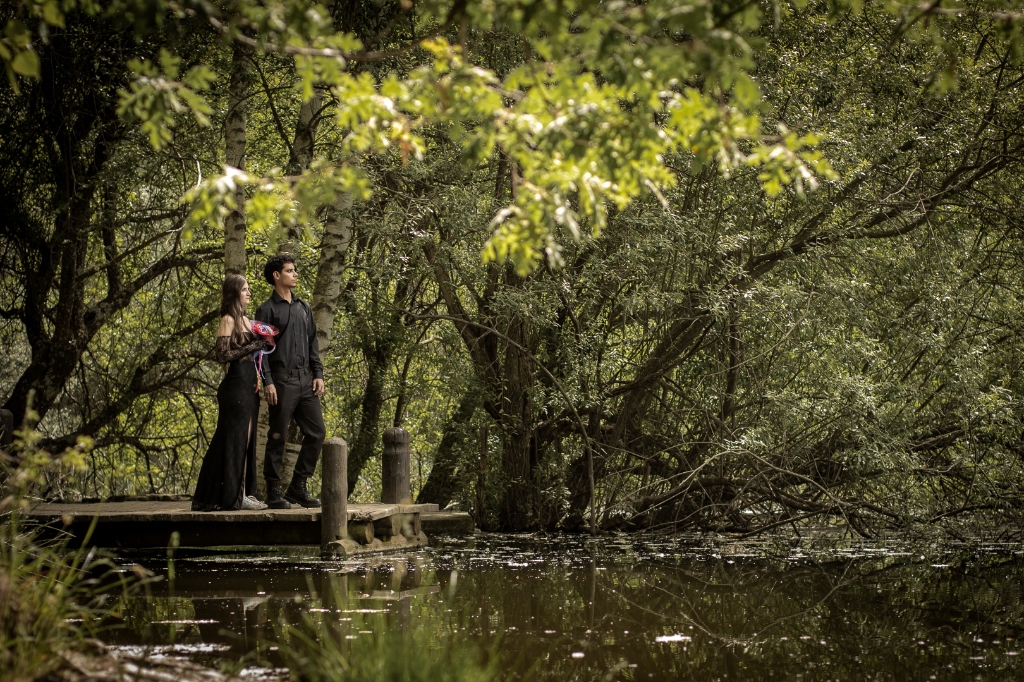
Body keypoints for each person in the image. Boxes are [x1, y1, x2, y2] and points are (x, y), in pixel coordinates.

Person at [192, 275, 270, 511]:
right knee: (233, 439)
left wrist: (263, 341)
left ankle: (243, 492)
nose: (248, 293)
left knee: (247, 440)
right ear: (234, 293)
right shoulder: (227, 320)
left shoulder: (247, 321)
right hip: (235, 385)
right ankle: (231, 495)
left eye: (248, 289)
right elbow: (222, 355)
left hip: (249, 384)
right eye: (245, 289)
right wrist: (253, 345)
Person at [254, 254, 326, 509]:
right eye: (290, 270)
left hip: (305, 381)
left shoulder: (303, 307)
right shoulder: (266, 309)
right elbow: (260, 350)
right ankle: (273, 491)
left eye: (295, 270)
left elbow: (312, 343)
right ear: (276, 275)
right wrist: (268, 381)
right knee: (277, 436)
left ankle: (298, 486)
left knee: (317, 433)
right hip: (281, 381)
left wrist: (318, 374)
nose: (295, 274)